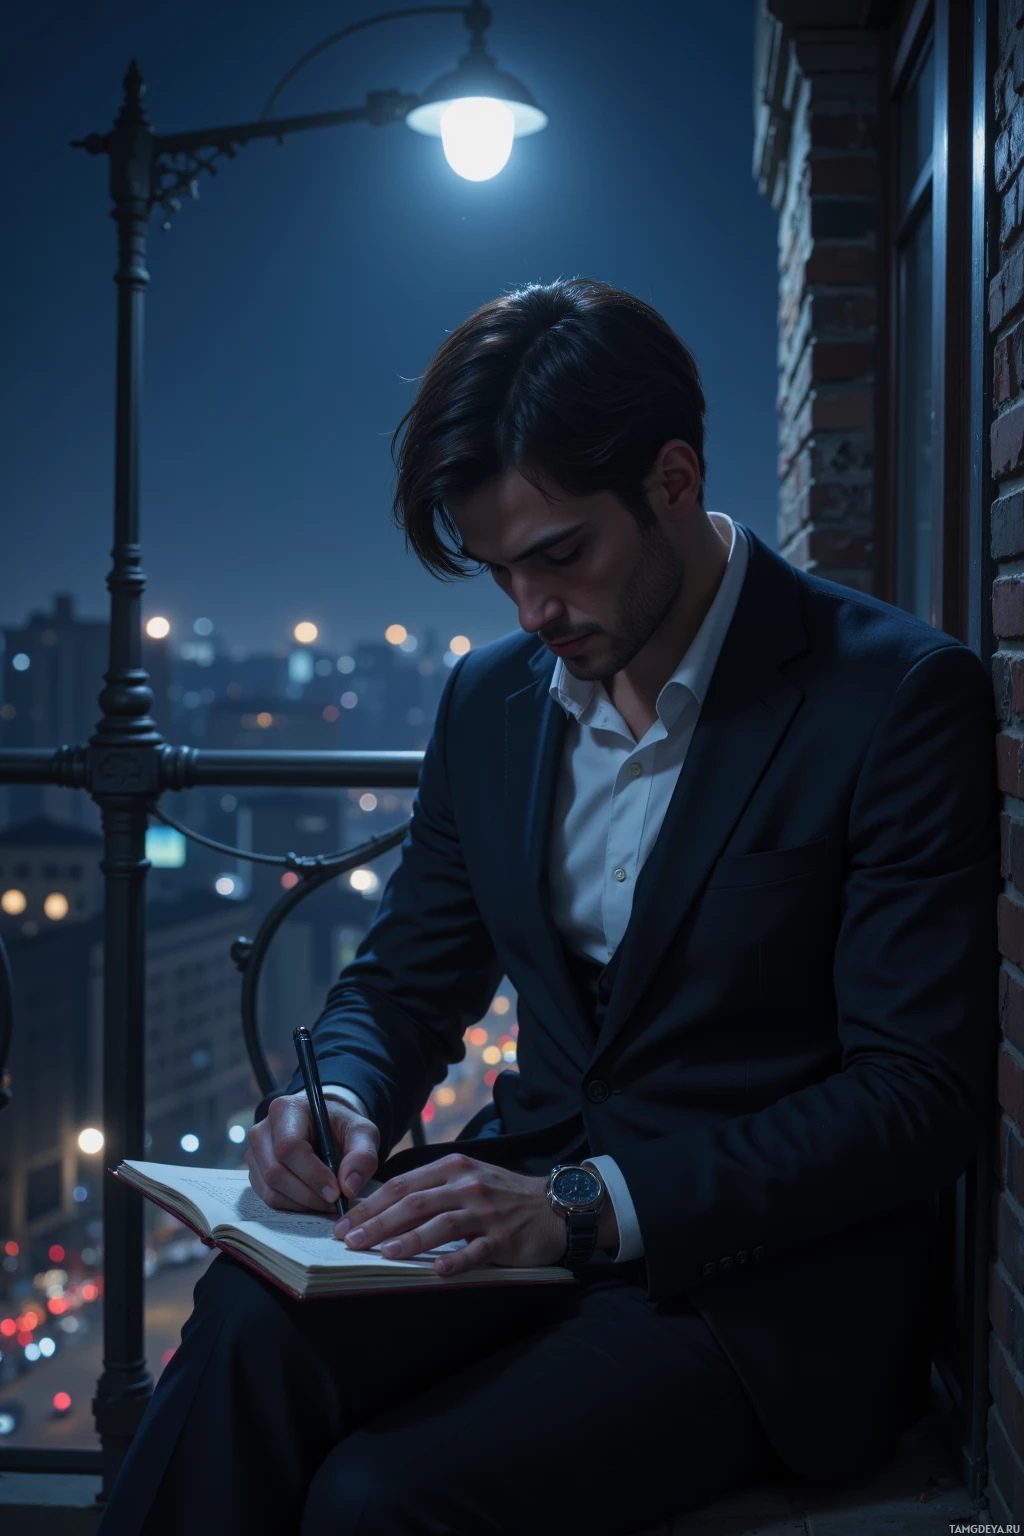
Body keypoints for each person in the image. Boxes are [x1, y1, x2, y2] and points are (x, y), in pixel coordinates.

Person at [97, 278, 998, 1536]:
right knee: (246, 1323)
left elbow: (916, 1096)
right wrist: (338, 1096)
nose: (531, 613)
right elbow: (411, 973)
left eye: (560, 555)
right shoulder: (494, 699)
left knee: (378, 1498)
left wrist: (584, 1213)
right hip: (516, 1219)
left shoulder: (893, 697)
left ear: (673, 480)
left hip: (752, 1291)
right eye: (498, 571)